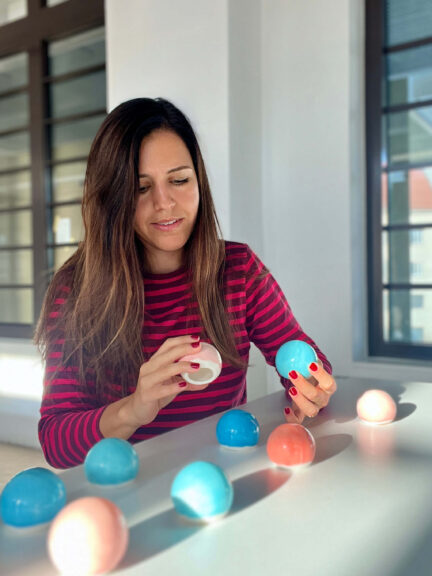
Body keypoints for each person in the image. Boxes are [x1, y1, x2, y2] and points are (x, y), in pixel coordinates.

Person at [35, 97, 337, 469]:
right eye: (140, 188)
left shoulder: (237, 270)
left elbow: (300, 354)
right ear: (112, 198)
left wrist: (310, 386)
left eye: (179, 180)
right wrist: (133, 409)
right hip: (131, 490)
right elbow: (55, 442)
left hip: (225, 478)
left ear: (199, 181)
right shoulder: (76, 290)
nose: (165, 203)